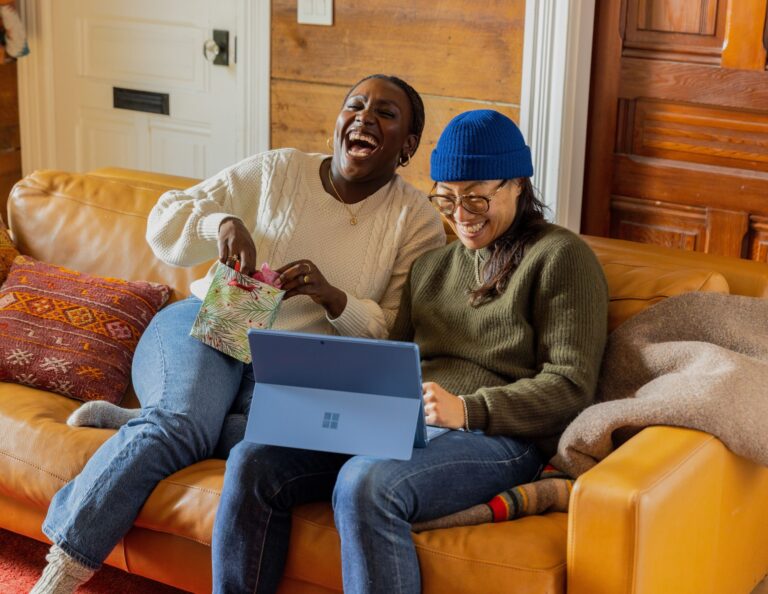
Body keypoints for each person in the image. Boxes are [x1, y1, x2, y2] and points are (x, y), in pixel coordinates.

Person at [31, 74, 446, 594]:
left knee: (270, 442)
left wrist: (333, 298)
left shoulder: (418, 222)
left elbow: (392, 330)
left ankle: (143, 420)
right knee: (182, 425)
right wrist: (221, 224)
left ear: (407, 145)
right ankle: (60, 571)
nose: (364, 117)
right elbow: (165, 220)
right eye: (355, 106)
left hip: (296, 365)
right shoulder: (279, 170)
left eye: (386, 114)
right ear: (339, 121)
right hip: (213, 319)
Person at [211, 109, 609, 593]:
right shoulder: (432, 268)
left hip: (499, 436)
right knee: (254, 457)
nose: (461, 216)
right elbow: (393, 361)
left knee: (366, 483)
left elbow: (571, 385)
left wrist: (469, 409)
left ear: (518, 185)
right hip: (407, 422)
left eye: (477, 199)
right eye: (447, 199)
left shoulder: (562, 257)